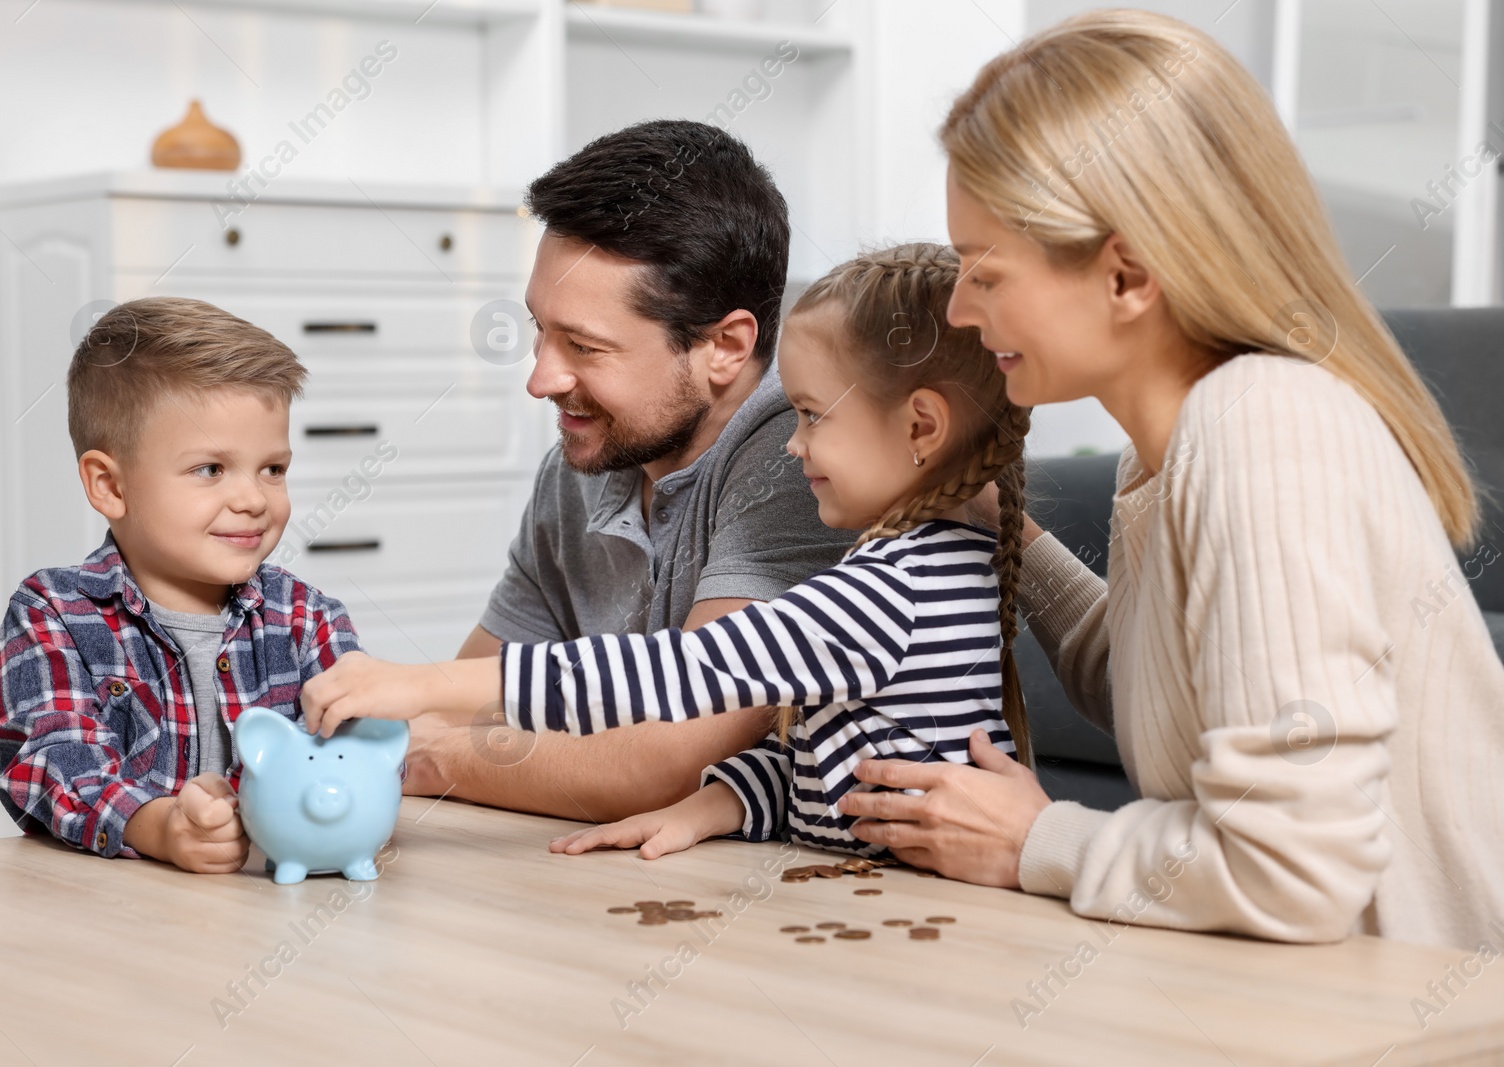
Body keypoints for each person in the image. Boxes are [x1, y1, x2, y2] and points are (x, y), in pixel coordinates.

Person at [835, 10, 1504, 950]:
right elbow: (1170, 691)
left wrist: (1037, 838)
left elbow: (1295, 870)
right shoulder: (1175, 442)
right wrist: (1008, 533)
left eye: (985, 272)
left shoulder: (1263, 427)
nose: (958, 307)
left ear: (1127, 277)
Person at [302, 244, 1035, 861]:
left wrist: (425, 685)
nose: (792, 440)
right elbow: (840, 771)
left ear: (921, 428)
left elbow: (679, 672)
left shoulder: (888, 593)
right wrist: (716, 804)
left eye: (811, 415)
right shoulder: (920, 572)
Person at [323, 119, 856, 822]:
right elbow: (474, 703)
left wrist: (418, 755)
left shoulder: (805, 464)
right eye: (541, 330)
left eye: (583, 345)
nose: (541, 378)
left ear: (725, 345)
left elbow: (667, 761)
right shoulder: (585, 461)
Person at [0, 298, 361, 874]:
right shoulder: (54, 614)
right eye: (210, 469)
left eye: (272, 469)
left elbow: (359, 745)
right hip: (118, 913)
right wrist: (157, 825)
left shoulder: (308, 618)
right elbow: (54, 761)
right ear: (109, 486)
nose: (254, 499)